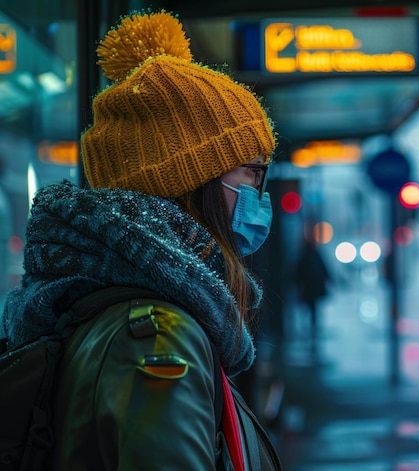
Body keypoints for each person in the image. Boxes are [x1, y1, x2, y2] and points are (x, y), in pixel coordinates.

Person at [1, 11, 281, 471]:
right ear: (192, 178)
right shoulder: (157, 339)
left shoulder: (104, 306)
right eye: (252, 173)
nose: (259, 194)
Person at [294, 236, 331, 348]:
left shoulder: (305, 256)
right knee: (313, 309)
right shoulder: (314, 256)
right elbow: (324, 270)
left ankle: (310, 328)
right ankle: (312, 328)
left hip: (310, 289)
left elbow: (297, 274)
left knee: (311, 309)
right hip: (313, 288)